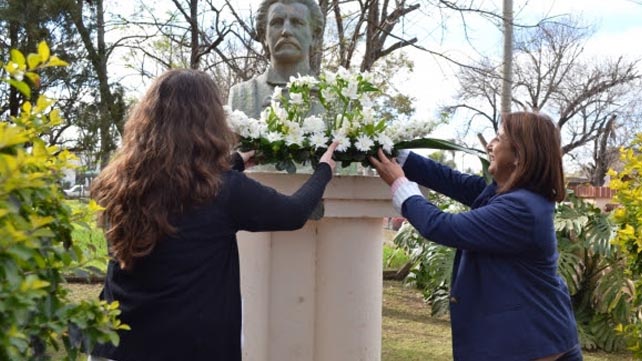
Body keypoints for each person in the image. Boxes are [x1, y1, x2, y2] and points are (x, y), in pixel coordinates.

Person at [87, 68, 338, 361]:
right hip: (189, 347)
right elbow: (294, 213)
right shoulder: (224, 190)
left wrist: (235, 163)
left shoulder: (119, 181)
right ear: (209, 120)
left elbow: (180, 192)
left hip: (117, 343)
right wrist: (324, 170)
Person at [369, 111, 582, 361]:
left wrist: (400, 186)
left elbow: (442, 226)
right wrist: (392, 152)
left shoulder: (521, 208)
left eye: (499, 139)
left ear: (519, 155)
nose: (489, 145)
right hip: (526, 344)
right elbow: (451, 180)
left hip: (535, 347)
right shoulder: (507, 195)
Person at [228, 0, 324, 119]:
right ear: (264, 37)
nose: (286, 31)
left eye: (297, 23)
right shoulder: (241, 95)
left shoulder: (337, 98)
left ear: (314, 36)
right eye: (277, 23)